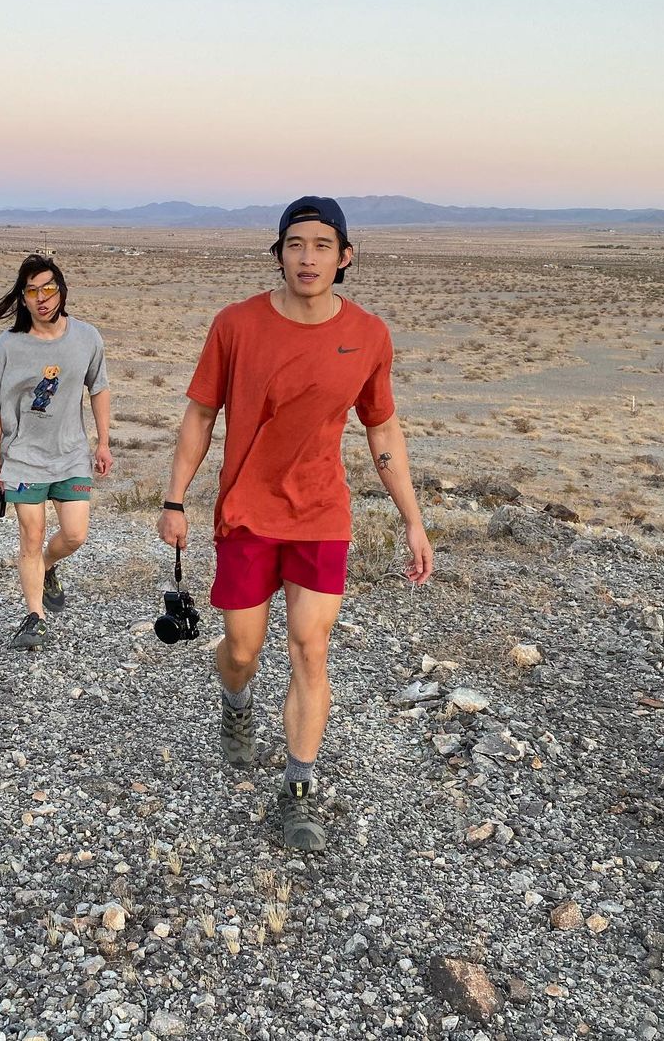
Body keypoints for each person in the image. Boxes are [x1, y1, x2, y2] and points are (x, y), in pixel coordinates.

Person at [156, 197, 433, 851]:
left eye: (321, 245)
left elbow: (382, 429)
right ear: (278, 253)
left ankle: (299, 785)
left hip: (321, 514)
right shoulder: (236, 325)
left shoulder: (369, 335)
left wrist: (413, 520)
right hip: (247, 514)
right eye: (295, 244)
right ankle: (236, 704)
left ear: (345, 257)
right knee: (242, 651)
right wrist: (175, 500)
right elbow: (200, 415)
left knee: (311, 646)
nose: (307, 258)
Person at [0, 254, 112, 649]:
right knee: (31, 536)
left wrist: (103, 441)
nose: (42, 298)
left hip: (71, 455)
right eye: (32, 291)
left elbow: (98, 387)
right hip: (23, 459)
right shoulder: (8, 345)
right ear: (23, 298)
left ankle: (46, 567)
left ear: (61, 290)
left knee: (75, 534)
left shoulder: (87, 337)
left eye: (48, 288)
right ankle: (35, 618)